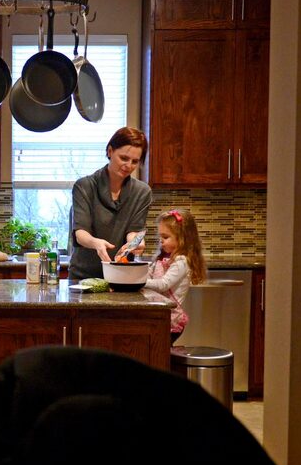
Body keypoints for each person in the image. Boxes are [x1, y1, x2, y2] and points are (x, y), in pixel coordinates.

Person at [69, 127, 151, 282]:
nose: (129, 165)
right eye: (124, 158)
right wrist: (96, 243)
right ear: (110, 151)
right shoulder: (84, 186)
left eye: (135, 161)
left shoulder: (142, 192)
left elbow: (133, 231)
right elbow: (80, 234)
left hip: (122, 277)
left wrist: (136, 242)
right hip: (83, 277)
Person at [144, 208, 207, 343]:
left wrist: (137, 281)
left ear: (183, 238)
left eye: (165, 237)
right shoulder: (163, 257)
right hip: (160, 314)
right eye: (160, 236)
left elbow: (163, 284)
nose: (161, 241)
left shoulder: (181, 261)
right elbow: (150, 272)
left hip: (170, 320)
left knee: (159, 352)